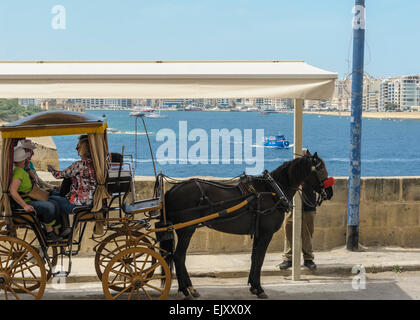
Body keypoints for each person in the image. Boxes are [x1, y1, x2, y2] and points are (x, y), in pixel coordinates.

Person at [9, 147, 63, 241]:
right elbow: (13, 191)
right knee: (49, 206)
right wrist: (25, 205)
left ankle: (57, 233)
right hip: (25, 202)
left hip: (30, 199)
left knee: (55, 203)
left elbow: (36, 181)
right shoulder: (18, 172)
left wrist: (29, 169)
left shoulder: (23, 170)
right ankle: (49, 233)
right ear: (23, 160)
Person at [279, 149, 318, 271]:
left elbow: (317, 183)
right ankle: (288, 259)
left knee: (307, 232)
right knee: (289, 230)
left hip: (308, 205)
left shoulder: (313, 170)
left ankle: (308, 258)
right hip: (292, 204)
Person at [48, 135, 97, 220]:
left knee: (49, 199)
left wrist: (50, 169)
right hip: (92, 202)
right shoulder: (97, 165)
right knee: (58, 197)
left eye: (78, 147)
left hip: (78, 204)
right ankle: (65, 228)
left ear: (84, 149)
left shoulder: (79, 165)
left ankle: (58, 228)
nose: (76, 149)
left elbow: (59, 175)